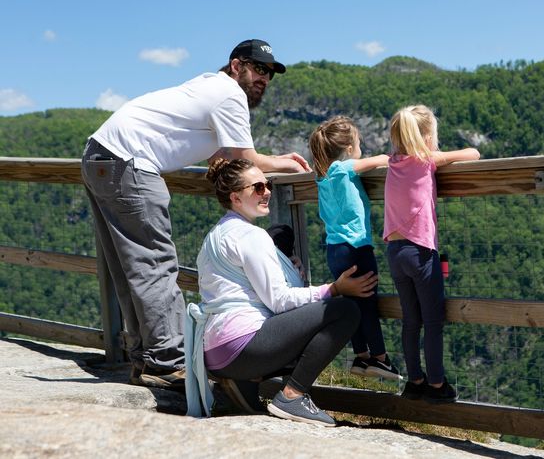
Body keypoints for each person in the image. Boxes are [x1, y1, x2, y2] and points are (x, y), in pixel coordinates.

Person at [81, 39, 310, 390]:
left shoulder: (206, 86)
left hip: (99, 156)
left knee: (127, 267)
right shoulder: (229, 94)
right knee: (154, 265)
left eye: (269, 73)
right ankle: (168, 363)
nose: (263, 78)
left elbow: (220, 155)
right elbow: (245, 157)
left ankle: (145, 358)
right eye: (258, 69)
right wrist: (285, 162)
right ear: (236, 66)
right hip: (130, 164)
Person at [185, 158, 376, 426]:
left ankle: (245, 382)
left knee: (281, 238)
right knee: (344, 311)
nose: (267, 192)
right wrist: (334, 289)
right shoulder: (251, 236)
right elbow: (281, 302)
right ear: (236, 198)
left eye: (268, 184)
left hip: (214, 354)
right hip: (244, 347)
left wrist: (285, 267)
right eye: (258, 187)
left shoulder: (216, 235)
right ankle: (292, 395)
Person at [383, 104, 480, 403]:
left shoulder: (392, 163)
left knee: (411, 321)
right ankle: (437, 385)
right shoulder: (426, 161)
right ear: (426, 137)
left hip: (394, 251)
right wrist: (435, 154)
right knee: (433, 322)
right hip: (421, 252)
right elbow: (473, 154)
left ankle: (414, 381)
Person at [308, 116, 401, 381]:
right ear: (349, 149)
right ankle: (381, 359)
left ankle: (361, 357)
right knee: (368, 303)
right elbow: (381, 160)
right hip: (356, 247)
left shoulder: (321, 175)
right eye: (359, 143)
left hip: (334, 249)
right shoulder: (343, 167)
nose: (361, 148)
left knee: (353, 304)